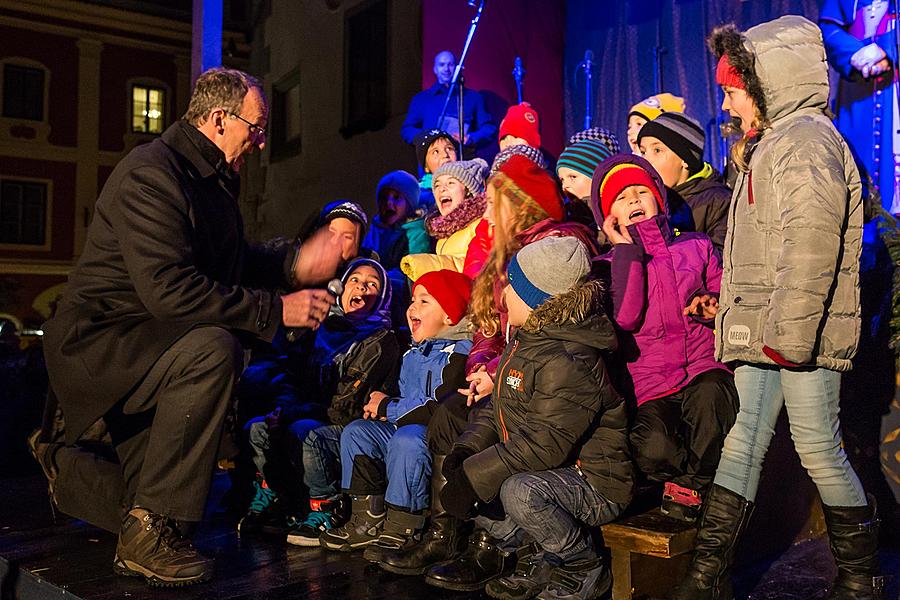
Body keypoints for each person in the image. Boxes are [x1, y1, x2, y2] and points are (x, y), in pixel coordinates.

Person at [40, 67, 343, 587]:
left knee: (167, 512)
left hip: (151, 342)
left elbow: (230, 259)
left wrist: (294, 264)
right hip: (109, 347)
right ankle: (143, 527)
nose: (261, 141)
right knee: (213, 349)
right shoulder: (153, 173)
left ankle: (83, 481)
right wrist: (277, 310)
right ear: (221, 119)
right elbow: (170, 289)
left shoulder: (206, 177)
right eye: (257, 127)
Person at [670, 16, 882, 600]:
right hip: (766, 331)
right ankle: (706, 577)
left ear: (768, 86)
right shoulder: (773, 144)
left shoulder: (806, 144)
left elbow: (811, 249)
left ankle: (861, 579)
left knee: (817, 445)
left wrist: (786, 339)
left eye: (733, 91)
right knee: (744, 440)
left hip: (796, 335)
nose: (728, 105)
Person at [423, 237, 634, 600]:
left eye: (513, 286)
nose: (503, 293)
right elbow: (497, 407)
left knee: (516, 490)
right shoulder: (527, 342)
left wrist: (476, 475)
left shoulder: (570, 360)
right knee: (475, 481)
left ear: (537, 302)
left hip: (596, 482)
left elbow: (544, 444)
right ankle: (539, 558)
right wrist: (467, 452)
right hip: (549, 473)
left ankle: (581, 566)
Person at [591, 154, 738, 523]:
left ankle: (698, 487)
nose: (634, 201)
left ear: (660, 197)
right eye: (621, 200)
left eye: (641, 191)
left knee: (712, 402)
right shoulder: (607, 266)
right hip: (651, 383)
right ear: (609, 218)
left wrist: (713, 305)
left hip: (702, 366)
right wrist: (625, 251)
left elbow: (727, 295)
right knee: (655, 448)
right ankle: (678, 482)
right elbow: (626, 316)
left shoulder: (696, 245)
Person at [236, 259, 400, 545]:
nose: (361, 285)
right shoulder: (323, 329)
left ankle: (326, 506)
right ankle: (279, 496)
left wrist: (293, 414)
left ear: (382, 299)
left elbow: (347, 404)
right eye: (355, 280)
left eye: (372, 283)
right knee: (257, 429)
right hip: (307, 413)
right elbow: (291, 374)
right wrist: (283, 408)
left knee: (309, 434)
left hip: (346, 425)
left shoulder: (381, 341)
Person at [319, 269, 473, 557]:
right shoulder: (412, 352)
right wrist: (381, 404)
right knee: (358, 432)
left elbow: (438, 408)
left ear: (450, 316)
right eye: (412, 300)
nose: (412, 307)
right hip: (403, 422)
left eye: (424, 302)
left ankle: (404, 523)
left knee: (407, 439)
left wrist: (388, 406)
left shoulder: (459, 354)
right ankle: (368, 517)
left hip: (431, 434)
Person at [637, 112, 732, 252]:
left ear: (685, 159)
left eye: (657, 150)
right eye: (643, 152)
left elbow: (720, 259)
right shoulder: (646, 200)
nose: (646, 161)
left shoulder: (718, 202)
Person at [363, 170, 431, 339]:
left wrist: (382, 278)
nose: (389, 203)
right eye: (384, 198)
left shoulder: (415, 230)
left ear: (409, 204)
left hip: (400, 300)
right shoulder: (376, 230)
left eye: (396, 198)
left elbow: (415, 268)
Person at [401, 158, 488, 281]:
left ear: (468, 191)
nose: (441, 189)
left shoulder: (481, 223)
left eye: (451, 183)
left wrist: (425, 264)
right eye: (437, 185)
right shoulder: (441, 234)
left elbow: (477, 267)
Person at [401, 50, 496, 154]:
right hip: (431, 161)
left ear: (457, 68)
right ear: (435, 69)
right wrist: (427, 137)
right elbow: (407, 129)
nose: (446, 69)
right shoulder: (421, 99)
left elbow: (489, 128)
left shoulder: (474, 98)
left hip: (463, 161)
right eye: (442, 65)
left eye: (450, 65)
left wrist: (471, 138)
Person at [556, 137, 619, 230]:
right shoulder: (566, 218)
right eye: (562, 180)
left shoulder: (617, 215)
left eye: (573, 177)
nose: (565, 186)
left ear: (598, 178)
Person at [414, 128, 458, 210]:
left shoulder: (470, 184)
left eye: (449, 148)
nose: (445, 155)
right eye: (435, 152)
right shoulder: (421, 196)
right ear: (426, 167)